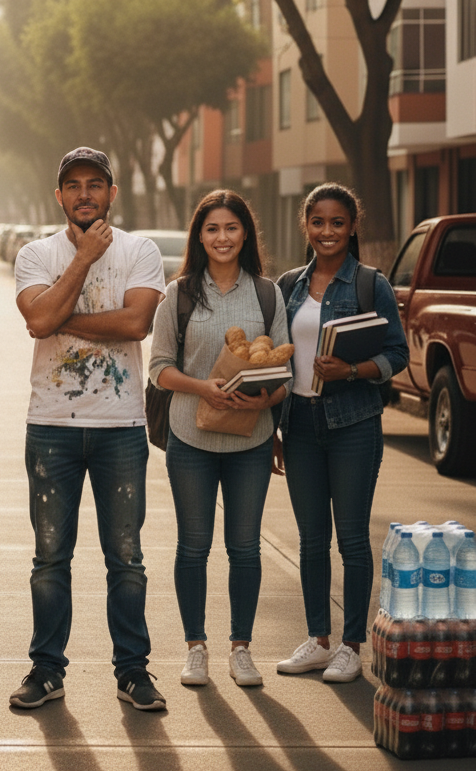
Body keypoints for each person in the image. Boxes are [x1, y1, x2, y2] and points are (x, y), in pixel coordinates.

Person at [10, 146, 167, 711]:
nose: (84, 194)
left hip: (119, 426)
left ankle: (133, 672)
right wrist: (82, 259)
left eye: (94, 184)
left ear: (111, 193)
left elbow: (136, 322)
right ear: (59, 196)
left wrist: (60, 318)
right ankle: (46, 670)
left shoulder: (140, 250)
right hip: (50, 425)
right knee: (50, 557)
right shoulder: (36, 253)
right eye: (73, 185)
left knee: (125, 557)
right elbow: (38, 318)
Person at [148, 190, 290, 688]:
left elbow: (286, 371)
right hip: (191, 439)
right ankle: (196, 648)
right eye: (212, 229)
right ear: (200, 236)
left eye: (231, 228)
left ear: (245, 233)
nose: (222, 237)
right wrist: (202, 387)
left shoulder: (267, 294)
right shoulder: (179, 294)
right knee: (193, 547)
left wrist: (265, 399)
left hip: (251, 441)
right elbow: (159, 369)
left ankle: (241, 648)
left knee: (245, 548)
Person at [275, 183, 408, 683]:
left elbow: (397, 354)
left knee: (352, 539)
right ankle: (318, 640)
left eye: (337, 222)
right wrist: (272, 427)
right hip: (299, 425)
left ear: (352, 227)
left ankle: (351, 646)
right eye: (318, 222)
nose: (327, 231)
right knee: (312, 540)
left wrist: (351, 371)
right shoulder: (288, 285)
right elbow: (276, 358)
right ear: (305, 226)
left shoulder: (371, 284)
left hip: (354, 424)